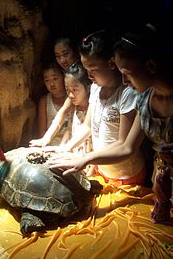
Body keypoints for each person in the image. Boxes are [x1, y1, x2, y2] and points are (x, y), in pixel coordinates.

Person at [49, 23, 173, 224]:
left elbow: (126, 146)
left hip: (131, 175)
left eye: (126, 71)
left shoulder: (132, 96)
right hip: (159, 180)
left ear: (150, 66)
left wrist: (87, 158)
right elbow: (109, 137)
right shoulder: (143, 99)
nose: (124, 79)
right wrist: (70, 151)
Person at [49, 30, 146, 186]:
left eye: (93, 69)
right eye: (86, 69)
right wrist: (65, 148)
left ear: (112, 64)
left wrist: (87, 158)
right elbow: (87, 127)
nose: (89, 76)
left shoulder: (127, 93)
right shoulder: (95, 88)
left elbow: (123, 143)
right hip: (102, 168)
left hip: (125, 174)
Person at [30, 62, 92, 153]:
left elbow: (87, 128)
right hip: (72, 151)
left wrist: (63, 148)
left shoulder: (94, 103)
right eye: (67, 90)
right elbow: (62, 117)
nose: (70, 95)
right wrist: (46, 139)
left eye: (74, 90)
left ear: (88, 87)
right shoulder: (73, 102)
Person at [30, 62, 68, 146]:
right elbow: (42, 132)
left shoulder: (73, 97)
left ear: (63, 77)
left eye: (55, 78)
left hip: (69, 145)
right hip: (50, 145)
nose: (51, 84)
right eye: (47, 80)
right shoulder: (45, 101)